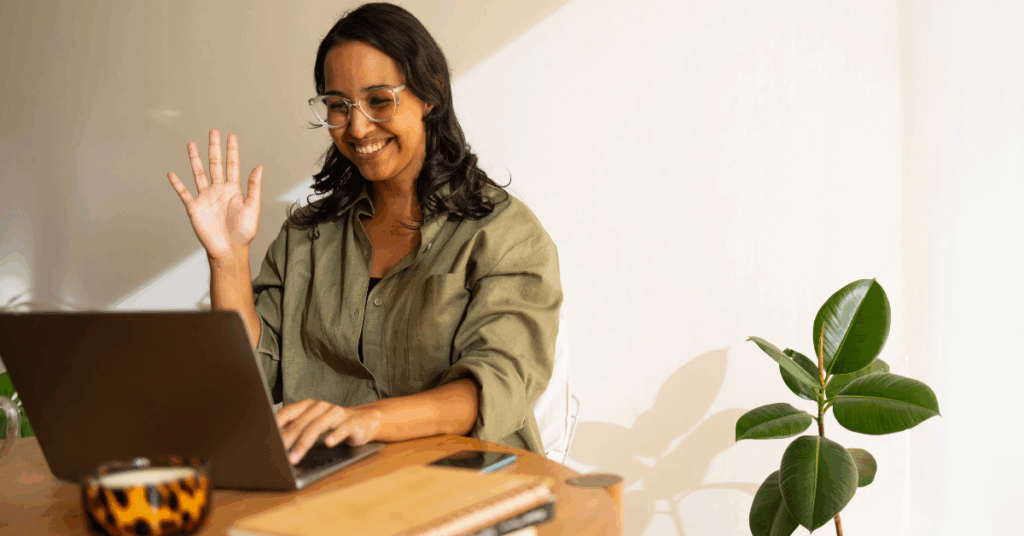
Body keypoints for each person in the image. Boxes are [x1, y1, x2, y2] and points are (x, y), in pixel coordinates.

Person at [166, 3, 561, 465]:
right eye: (338, 106)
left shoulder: (503, 234)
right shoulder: (306, 238)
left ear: (430, 93)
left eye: (379, 100)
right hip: (329, 481)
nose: (356, 127)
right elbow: (248, 381)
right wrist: (228, 258)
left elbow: (493, 387)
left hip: (460, 484)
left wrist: (365, 420)